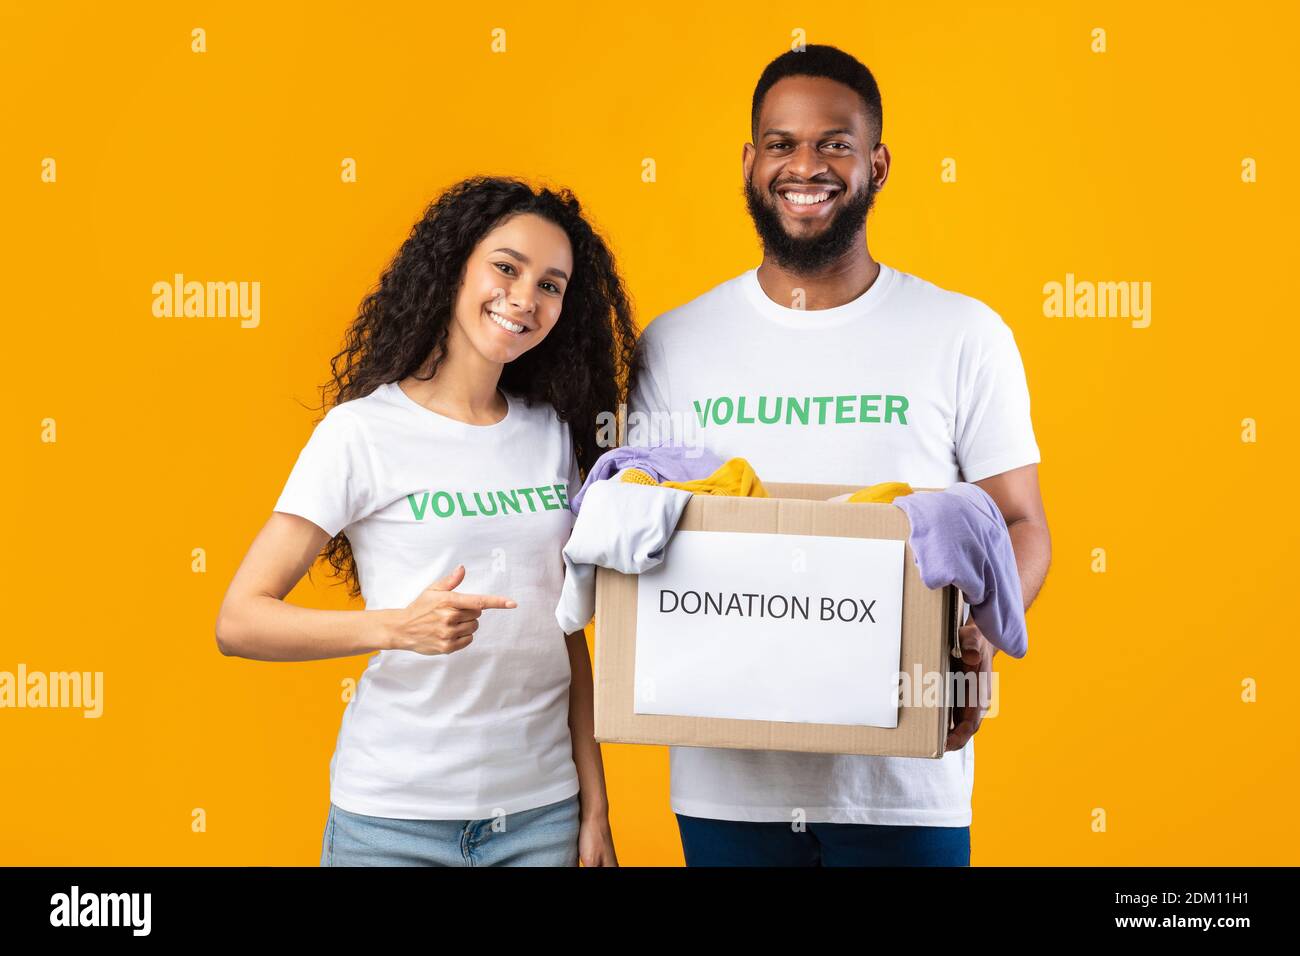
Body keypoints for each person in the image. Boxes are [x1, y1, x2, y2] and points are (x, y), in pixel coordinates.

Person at [626, 45, 1052, 866]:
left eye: (835, 143)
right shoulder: (676, 343)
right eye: (781, 144)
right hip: (727, 781)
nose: (806, 166)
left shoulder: (963, 334)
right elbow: (635, 524)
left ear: (877, 163)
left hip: (903, 782)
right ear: (751, 163)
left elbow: (1022, 522)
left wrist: (983, 638)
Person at [216, 176, 637, 866]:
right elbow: (238, 620)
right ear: (454, 268)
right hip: (392, 822)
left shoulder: (552, 437)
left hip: (538, 816)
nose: (525, 298)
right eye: (506, 267)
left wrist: (595, 808)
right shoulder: (361, 433)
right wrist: (394, 627)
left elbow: (565, 636)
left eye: (552, 285)